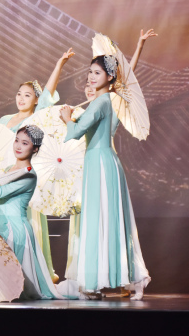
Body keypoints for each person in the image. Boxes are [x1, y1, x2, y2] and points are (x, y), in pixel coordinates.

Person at [67, 28, 157, 287]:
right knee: (108, 219)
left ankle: (100, 279)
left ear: (109, 77)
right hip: (106, 160)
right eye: (90, 73)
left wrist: (66, 119)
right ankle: (115, 276)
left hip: (99, 162)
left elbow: (74, 133)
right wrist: (139, 46)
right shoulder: (111, 100)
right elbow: (127, 76)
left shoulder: (101, 102)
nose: (90, 78)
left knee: (99, 219)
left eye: (96, 73)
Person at [0, 48, 75, 284]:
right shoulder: (4, 120)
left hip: (25, 175)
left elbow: (49, 92)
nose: (21, 98)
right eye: (19, 94)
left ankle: (36, 270)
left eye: (27, 95)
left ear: (36, 100)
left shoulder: (36, 118)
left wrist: (60, 64)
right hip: (5, 173)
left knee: (27, 219)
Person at [0, 126, 67, 299]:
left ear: (35, 149)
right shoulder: (10, 169)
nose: (18, 146)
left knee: (11, 283)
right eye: (17, 140)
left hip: (15, 229)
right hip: (1, 225)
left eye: (25, 143)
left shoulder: (28, 175)